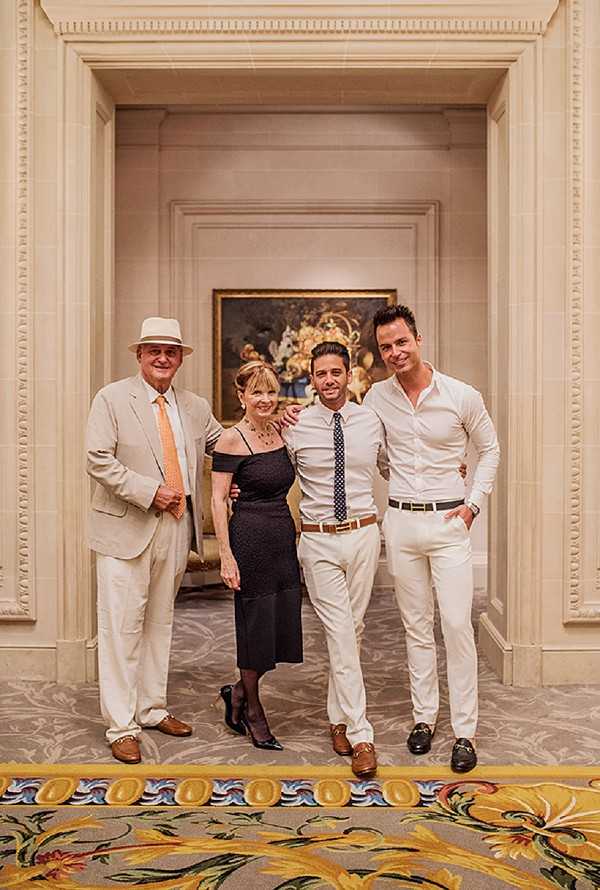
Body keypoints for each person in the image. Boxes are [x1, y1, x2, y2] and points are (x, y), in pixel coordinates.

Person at [364, 304, 500, 772]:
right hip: (400, 524)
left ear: (418, 339)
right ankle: (425, 717)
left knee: (458, 626)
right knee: (416, 627)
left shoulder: (461, 394)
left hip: (448, 524)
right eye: (386, 347)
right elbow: (369, 452)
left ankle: (465, 731)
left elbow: (491, 449)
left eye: (401, 342)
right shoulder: (376, 399)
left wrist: (474, 502)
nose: (395, 352)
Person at [86, 317, 223, 764]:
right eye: (153, 351)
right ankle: (121, 725)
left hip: (175, 527)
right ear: (139, 355)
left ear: (181, 357)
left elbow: (229, 446)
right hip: (128, 527)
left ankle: (151, 707)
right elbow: (97, 460)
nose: (162, 358)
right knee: (121, 628)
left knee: (159, 624)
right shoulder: (111, 398)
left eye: (171, 351)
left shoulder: (195, 406)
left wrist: (275, 426)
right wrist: (151, 491)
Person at [283, 341, 387, 779]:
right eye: (320, 373)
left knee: (353, 631)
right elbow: (266, 468)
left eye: (336, 373)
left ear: (349, 376)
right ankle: (362, 734)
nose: (328, 380)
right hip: (319, 540)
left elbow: (393, 466)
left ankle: (337, 718)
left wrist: (446, 473)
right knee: (341, 630)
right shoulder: (295, 425)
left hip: (364, 534)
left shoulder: (371, 421)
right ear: (311, 378)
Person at [211, 360, 303, 751]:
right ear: (241, 395)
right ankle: (252, 710)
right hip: (248, 537)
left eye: (270, 391)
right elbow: (218, 499)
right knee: (254, 627)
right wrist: (226, 557)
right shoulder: (231, 440)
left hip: (281, 536)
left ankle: (236, 692)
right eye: (256, 392)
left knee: (275, 627)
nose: (264, 399)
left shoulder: (279, 431)